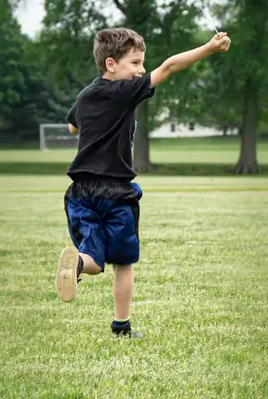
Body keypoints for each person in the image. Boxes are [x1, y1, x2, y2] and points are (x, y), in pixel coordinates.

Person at [54, 27, 231, 338]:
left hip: (80, 191)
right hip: (116, 192)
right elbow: (169, 67)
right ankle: (121, 327)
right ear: (111, 64)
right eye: (135, 63)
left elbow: (72, 128)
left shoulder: (85, 95)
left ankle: (77, 265)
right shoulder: (124, 92)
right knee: (123, 261)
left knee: (94, 257)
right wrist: (209, 48)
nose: (142, 70)